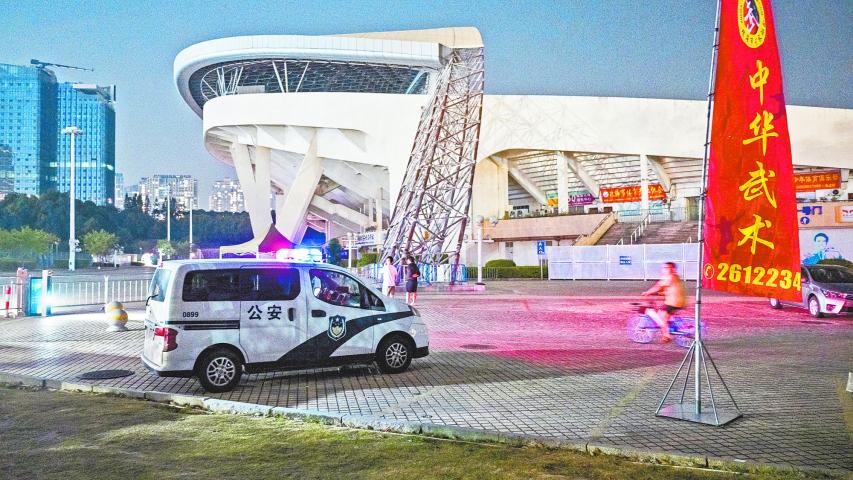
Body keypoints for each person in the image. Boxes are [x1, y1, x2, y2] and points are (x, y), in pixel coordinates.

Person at [641, 262, 686, 343]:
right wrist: (658, 293)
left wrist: (648, 292)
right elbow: (668, 289)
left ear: (672, 269)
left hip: (673, 302)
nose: (663, 270)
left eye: (666, 268)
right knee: (665, 313)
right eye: (663, 268)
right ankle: (670, 325)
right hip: (680, 301)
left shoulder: (669, 277)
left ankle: (666, 335)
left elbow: (658, 286)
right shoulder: (676, 277)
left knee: (661, 317)